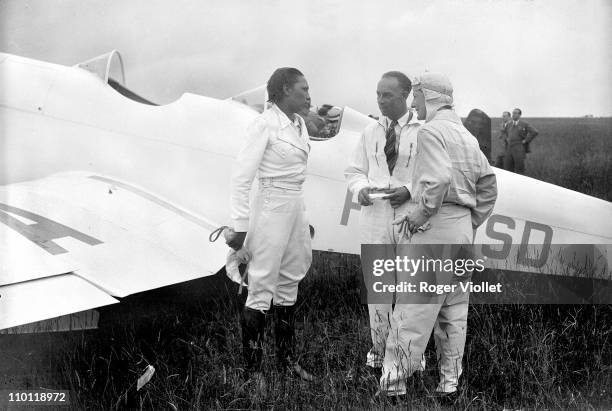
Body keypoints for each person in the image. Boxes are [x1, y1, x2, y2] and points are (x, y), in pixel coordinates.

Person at [386, 73, 497, 402]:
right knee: (453, 310)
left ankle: (394, 385)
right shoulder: (467, 136)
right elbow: (489, 186)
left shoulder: (431, 131)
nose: (413, 104)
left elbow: (436, 179)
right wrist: (470, 220)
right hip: (461, 229)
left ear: (430, 97)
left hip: (435, 225)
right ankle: (449, 384)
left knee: (414, 309)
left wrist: (421, 214)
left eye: (416, 97)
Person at [228, 67, 315, 391]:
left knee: (291, 278)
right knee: (262, 285)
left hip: (294, 208)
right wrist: (239, 227)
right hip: (270, 209)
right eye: (303, 89)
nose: (308, 95)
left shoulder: (298, 124)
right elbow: (241, 178)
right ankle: (253, 373)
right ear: (282, 90)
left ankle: (287, 361)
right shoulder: (264, 125)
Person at [344, 71, 423, 381]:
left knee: (410, 288)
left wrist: (410, 191)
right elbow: (353, 170)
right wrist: (360, 188)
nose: (379, 100)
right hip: (375, 217)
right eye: (377, 94)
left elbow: (437, 178)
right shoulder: (369, 131)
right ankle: (378, 352)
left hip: (410, 216)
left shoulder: (424, 132)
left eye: (387, 95)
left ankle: (409, 354)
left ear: (405, 95)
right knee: (378, 288)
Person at [503, 108, 538, 174]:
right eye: (513, 113)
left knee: (519, 168)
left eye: (515, 113)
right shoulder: (509, 124)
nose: (513, 115)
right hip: (509, 148)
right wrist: (507, 139)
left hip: (519, 148)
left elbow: (534, 132)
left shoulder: (524, 124)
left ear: (519, 115)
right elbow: (505, 133)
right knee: (508, 168)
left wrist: (526, 140)